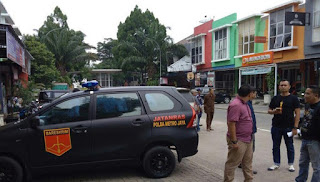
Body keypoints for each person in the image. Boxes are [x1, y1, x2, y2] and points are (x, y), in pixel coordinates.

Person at [224, 85, 255, 182]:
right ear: (249, 94)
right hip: (239, 140)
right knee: (232, 163)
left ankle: (249, 180)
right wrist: (234, 141)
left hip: (248, 139)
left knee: (247, 163)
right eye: (253, 92)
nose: (255, 94)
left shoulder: (246, 103)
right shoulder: (236, 105)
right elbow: (231, 124)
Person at [268, 79, 300, 172]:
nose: (283, 87)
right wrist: (274, 111)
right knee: (275, 146)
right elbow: (269, 110)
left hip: (289, 127)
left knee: (289, 146)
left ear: (289, 87)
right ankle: (276, 163)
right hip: (276, 126)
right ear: (279, 87)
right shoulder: (275, 98)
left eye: (285, 85)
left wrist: (295, 127)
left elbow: (297, 113)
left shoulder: (294, 99)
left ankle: (291, 164)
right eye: (281, 85)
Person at [295, 86, 320, 182]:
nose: (305, 95)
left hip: (315, 141)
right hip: (305, 139)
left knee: (316, 166)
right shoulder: (308, 105)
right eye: (305, 93)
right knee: (303, 163)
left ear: (316, 95)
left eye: (308, 93)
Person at [239, 89, 258, 175]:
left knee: (248, 150)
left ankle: (242, 164)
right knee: (249, 150)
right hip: (247, 131)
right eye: (255, 93)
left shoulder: (249, 103)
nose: (256, 95)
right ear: (250, 94)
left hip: (250, 130)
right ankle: (246, 167)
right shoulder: (244, 103)